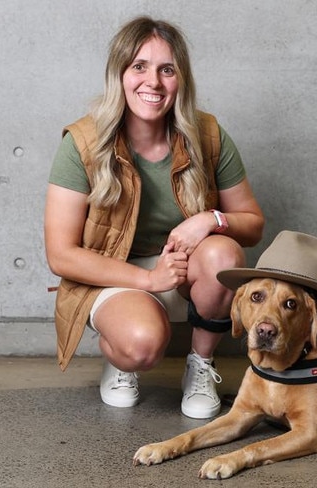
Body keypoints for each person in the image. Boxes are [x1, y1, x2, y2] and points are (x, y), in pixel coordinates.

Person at [44, 16, 264, 419]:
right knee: (142, 346)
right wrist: (148, 280)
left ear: (181, 79)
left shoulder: (208, 134)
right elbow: (60, 255)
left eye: (167, 69)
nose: (154, 82)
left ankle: (200, 366)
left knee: (223, 254)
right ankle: (121, 355)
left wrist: (209, 220)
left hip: (183, 272)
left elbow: (252, 223)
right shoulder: (83, 143)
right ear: (119, 74)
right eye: (139, 67)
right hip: (112, 276)